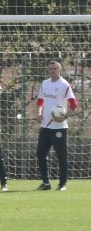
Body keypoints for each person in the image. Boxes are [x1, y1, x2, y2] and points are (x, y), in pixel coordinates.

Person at [35, 61, 78, 191]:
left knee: (61, 156)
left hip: (59, 127)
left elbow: (73, 104)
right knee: (40, 153)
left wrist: (64, 117)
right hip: (46, 126)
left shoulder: (64, 85)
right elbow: (40, 101)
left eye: (54, 68)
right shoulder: (45, 84)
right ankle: (46, 182)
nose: (52, 71)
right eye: (50, 69)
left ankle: (62, 184)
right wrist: (39, 113)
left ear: (59, 70)